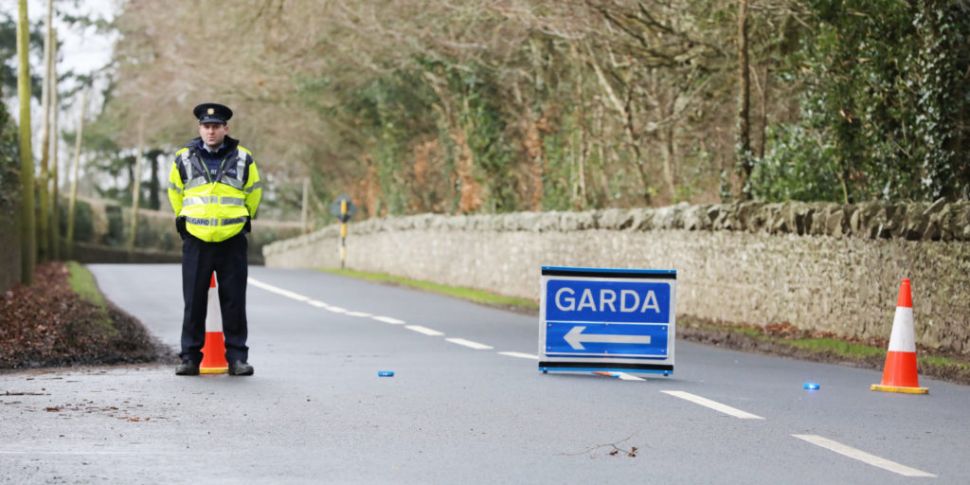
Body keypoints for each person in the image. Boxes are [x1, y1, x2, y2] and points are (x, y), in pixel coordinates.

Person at [167, 102, 262, 376]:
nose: (211, 131)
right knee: (193, 301)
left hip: (232, 239)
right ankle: (189, 359)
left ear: (225, 128)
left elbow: (254, 192)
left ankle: (237, 359)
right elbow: (175, 192)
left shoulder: (244, 158)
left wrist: (244, 219)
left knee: (234, 301)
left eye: (216, 126)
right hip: (196, 239)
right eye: (206, 126)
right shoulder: (183, 158)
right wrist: (183, 220)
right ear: (199, 128)